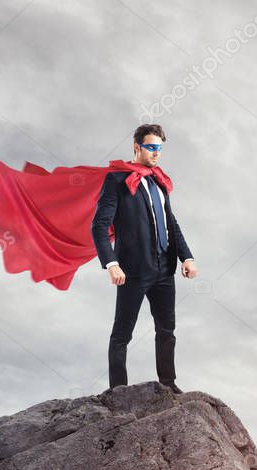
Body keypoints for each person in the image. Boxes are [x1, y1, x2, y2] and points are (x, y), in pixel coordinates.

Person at [90, 124, 197, 393]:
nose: (156, 153)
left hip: (164, 269)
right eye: (151, 147)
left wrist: (187, 256)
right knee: (122, 335)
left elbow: (170, 222)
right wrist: (111, 263)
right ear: (137, 147)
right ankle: (118, 392)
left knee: (166, 330)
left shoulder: (159, 181)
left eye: (159, 148)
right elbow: (99, 225)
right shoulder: (117, 179)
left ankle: (168, 384)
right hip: (133, 270)